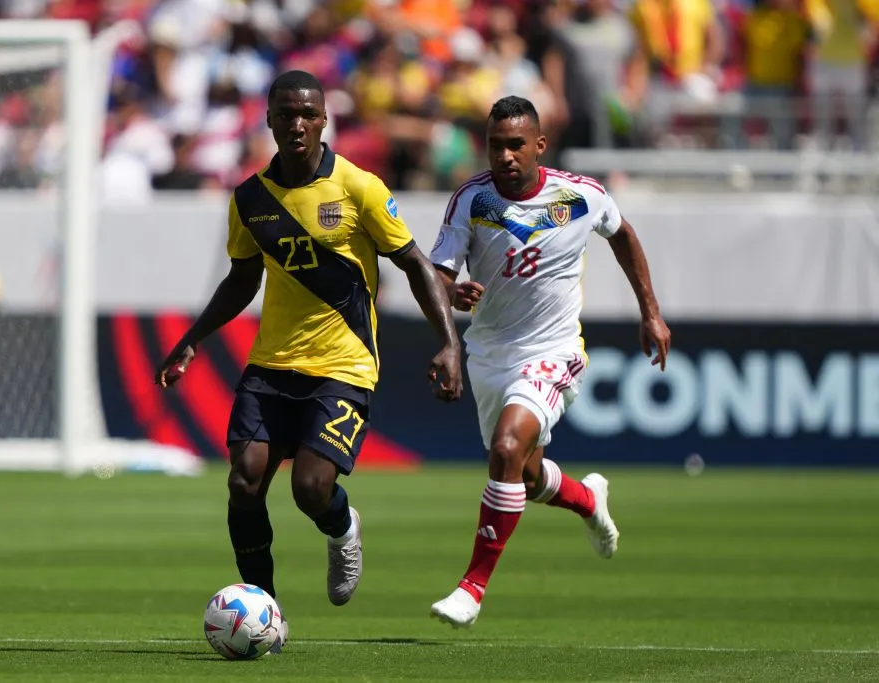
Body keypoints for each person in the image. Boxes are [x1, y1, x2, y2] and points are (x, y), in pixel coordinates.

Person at [155, 70, 463, 650]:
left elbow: (416, 263)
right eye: (285, 113)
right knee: (245, 484)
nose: (296, 123)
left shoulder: (358, 187)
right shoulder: (249, 199)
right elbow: (242, 279)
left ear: (323, 120)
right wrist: (193, 338)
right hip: (271, 365)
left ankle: (342, 527)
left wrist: (449, 341)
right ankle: (266, 615)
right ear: (269, 120)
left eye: (307, 113)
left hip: (343, 367)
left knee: (310, 488)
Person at [428, 96, 671, 628]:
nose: (506, 156)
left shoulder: (580, 195)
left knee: (508, 447)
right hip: (489, 353)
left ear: (539, 145)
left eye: (516, 145)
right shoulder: (471, 200)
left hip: (553, 349)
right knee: (526, 472)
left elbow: (623, 235)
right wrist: (451, 292)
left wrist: (650, 313)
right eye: (496, 146)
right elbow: (437, 273)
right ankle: (588, 499)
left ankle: (471, 588)